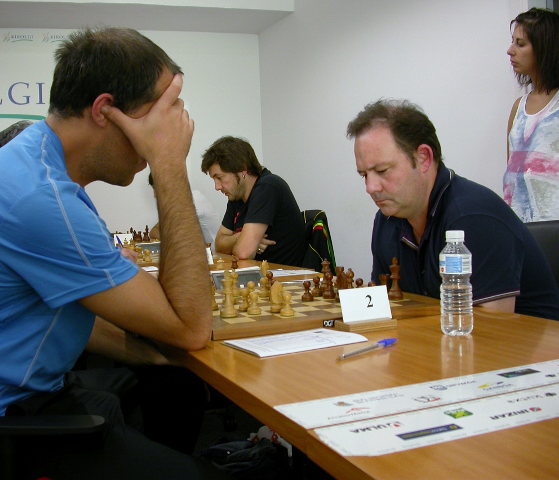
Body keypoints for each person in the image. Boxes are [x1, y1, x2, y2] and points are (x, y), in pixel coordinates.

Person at [0, 27, 232, 480]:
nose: (168, 132)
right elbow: (191, 327)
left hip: (8, 400)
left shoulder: (39, 167)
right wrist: (169, 163)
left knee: (169, 380)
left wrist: (155, 357)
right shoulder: (37, 198)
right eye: (158, 117)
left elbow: (70, 310)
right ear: (104, 110)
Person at [346, 99, 559, 321]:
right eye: (364, 175)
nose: (371, 187)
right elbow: (382, 311)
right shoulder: (387, 221)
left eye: (382, 170)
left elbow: (492, 328)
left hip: (531, 341)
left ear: (423, 158)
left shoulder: (474, 218)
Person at [201, 135, 306, 267]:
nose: (217, 187)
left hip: (285, 276)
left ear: (242, 170)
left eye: (220, 178)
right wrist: (241, 237)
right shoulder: (236, 196)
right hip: (259, 273)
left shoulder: (268, 187)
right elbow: (219, 245)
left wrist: (240, 242)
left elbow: (243, 252)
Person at [504, 7, 559, 222]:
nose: (510, 50)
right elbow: (511, 175)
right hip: (520, 229)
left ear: (544, 49)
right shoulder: (518, 108)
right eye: (513, 42)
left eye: (520, 44)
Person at [147, 172, 220, 250]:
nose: (154, 195)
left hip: (215, 254)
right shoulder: (177, 203)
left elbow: (179, 239)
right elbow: (154, 232)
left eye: (156, 188)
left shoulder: (193, 200)